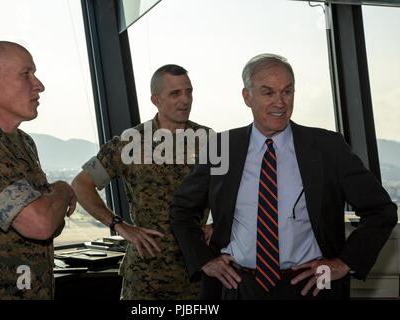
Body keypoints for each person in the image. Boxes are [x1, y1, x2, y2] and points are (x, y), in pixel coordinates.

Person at [169, 53, 398, 300]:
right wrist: (204, 260)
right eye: (268, 93)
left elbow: (381, 210)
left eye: (287, 92)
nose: (280, 102)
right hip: (237, 283)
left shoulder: (327, 147)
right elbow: (182, 210)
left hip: (313, 283)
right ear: (247, 97)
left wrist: (344, 263)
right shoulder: (221, 147)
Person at [71, 64, 210, 299]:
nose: (185, 100)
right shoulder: (130, 143)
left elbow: (233, 193)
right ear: (156, 99)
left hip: (197, 271)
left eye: (189, 92)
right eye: (175, 93)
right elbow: (81, 184)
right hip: (148, 275)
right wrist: (119, 225)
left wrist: (220, 226)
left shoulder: (209, 141)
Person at [0, 41, 76, 299]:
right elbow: (39, 224)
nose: (39, 84)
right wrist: (64, 189)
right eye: (25, 74)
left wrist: (50, 208)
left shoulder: (22, 142)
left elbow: (51, 224)